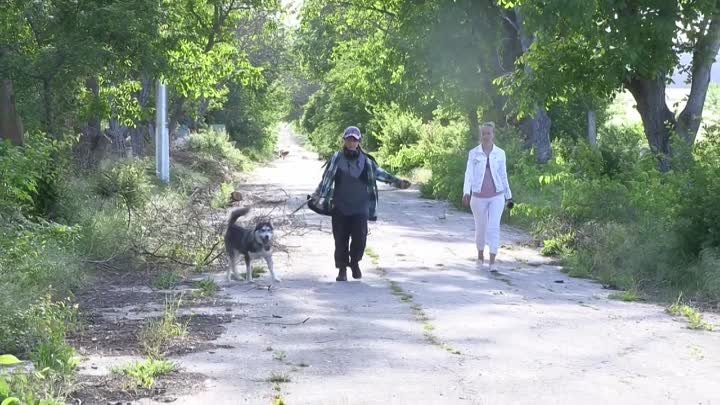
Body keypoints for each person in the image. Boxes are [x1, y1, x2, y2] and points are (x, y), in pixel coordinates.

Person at [310, 126, 411, 282]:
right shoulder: (336, 158)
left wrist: (398, 182)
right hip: (340, 206)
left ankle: (355, 262)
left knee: (360, 238)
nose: (351, 142)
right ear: (344, 140)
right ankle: (342, 269)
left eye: (354, 140)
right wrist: (317, 196)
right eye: (349, 139)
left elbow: (381, 173)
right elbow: (326, 180)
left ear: (359, 142)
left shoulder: (367, 161)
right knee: (340, 239)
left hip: (360, 207)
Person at [462, 122, 513, 273]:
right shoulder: (474, 153)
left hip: (497, 196)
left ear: (493, 135)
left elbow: (503, 175)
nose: (486, 136)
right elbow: (468, 174)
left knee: (493, 227)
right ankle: (480, 257)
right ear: (481, 135)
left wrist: (509, 196)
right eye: (483, 133)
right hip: (478, 197)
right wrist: (466, 192)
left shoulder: (500, 153)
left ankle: (492, 261)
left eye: (488, 133)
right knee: (481, 228)